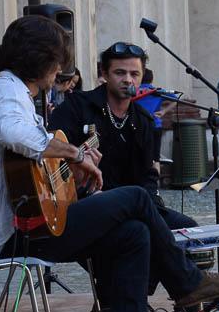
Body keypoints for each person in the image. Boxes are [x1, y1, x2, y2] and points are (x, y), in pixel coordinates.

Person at [0, 16, 219, 312]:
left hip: (32, 223)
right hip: (14, 234)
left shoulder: (8, 92)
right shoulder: (7, 93)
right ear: (42, 59)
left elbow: (27, 164)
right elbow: (18, 137)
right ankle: (187, 283)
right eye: (58, 59)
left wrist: (67, 170)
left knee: (133, 234)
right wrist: (76, 154)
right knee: (136, 199)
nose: (61, 69)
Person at [50, 43, 196, 232]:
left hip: (135, 206)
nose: (128, 80)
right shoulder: (77, 106)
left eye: (134, 74)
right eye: (120, 73)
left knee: (188, 229)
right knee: (136, 231)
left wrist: (152, 205)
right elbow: (49, 149)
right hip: (87, 205)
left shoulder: (144, 120)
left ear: (142, 76)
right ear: (104, 73)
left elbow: (148, 175)